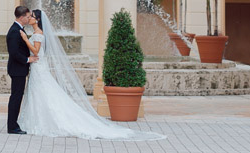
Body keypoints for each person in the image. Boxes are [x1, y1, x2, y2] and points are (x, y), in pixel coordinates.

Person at [17, 9, 166, 141]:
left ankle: (45, 121)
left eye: (32, 16)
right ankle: (37, 119)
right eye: (29, 16)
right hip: (37, 67)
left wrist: (24, 39)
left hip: (39, 67)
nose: (29, 18)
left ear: (38, 20)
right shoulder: (36, 33)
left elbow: (36, 52)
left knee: (45, 93)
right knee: (41, 94)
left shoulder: (38, 34)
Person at [6, 5, 38, 134]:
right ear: (21, 17)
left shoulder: (20, 29)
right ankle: (12, 126)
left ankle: (13, 124)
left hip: (19, 69)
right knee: (16, 97)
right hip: (17, 69)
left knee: (17, 96)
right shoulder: (14, 31)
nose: (29, 18)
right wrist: (27, 59)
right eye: (28, 16)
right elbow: (13, 52)